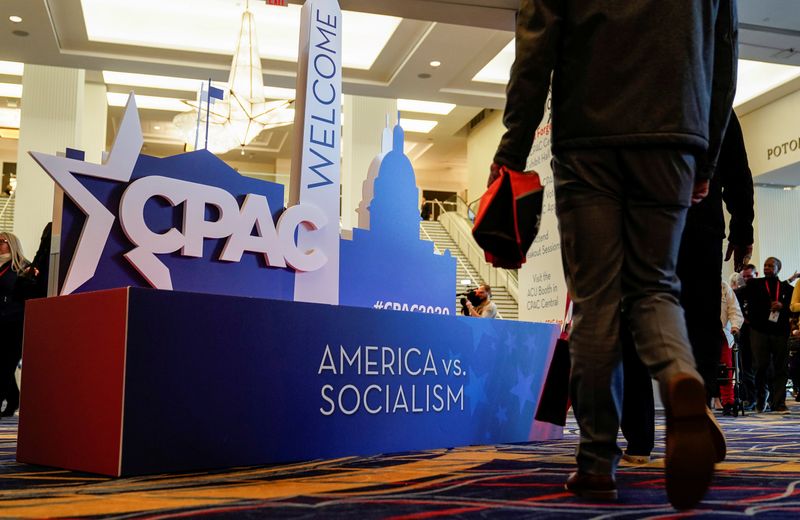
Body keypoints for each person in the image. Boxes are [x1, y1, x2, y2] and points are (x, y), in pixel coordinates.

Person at [491, 1, 735, 509]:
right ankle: (681, 379)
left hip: (589, 140)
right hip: (674, 135)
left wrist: (511, 152)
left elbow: (536, 45)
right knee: (654, 286)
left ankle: (596, 463)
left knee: (596, 301)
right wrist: (706, 156)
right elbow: (725, 51)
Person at [744, 257, 794, 413]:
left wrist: (782, 306)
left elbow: (792, 308)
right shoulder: (754, 284)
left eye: (771, 266)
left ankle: (779, 403)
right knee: (761, 366)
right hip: (759, 330)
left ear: (778, 268)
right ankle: (760, 398)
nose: (767, 268)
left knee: (781, 367)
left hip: (780, 332)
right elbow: (744, 300)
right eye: (765, 265)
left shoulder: (786, 289)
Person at [0, 232, 29, 418]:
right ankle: (13, 398)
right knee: (3, 366)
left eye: (1, 241)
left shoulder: (22, 267)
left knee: (5, 365)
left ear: (12, 244)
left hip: (14, 324)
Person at [719, 280, 744, 415]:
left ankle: (728, 401)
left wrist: (735, 325)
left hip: (722, 333)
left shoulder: (724, 287)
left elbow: (734, 309)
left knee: (726, 369)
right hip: (702, 334)